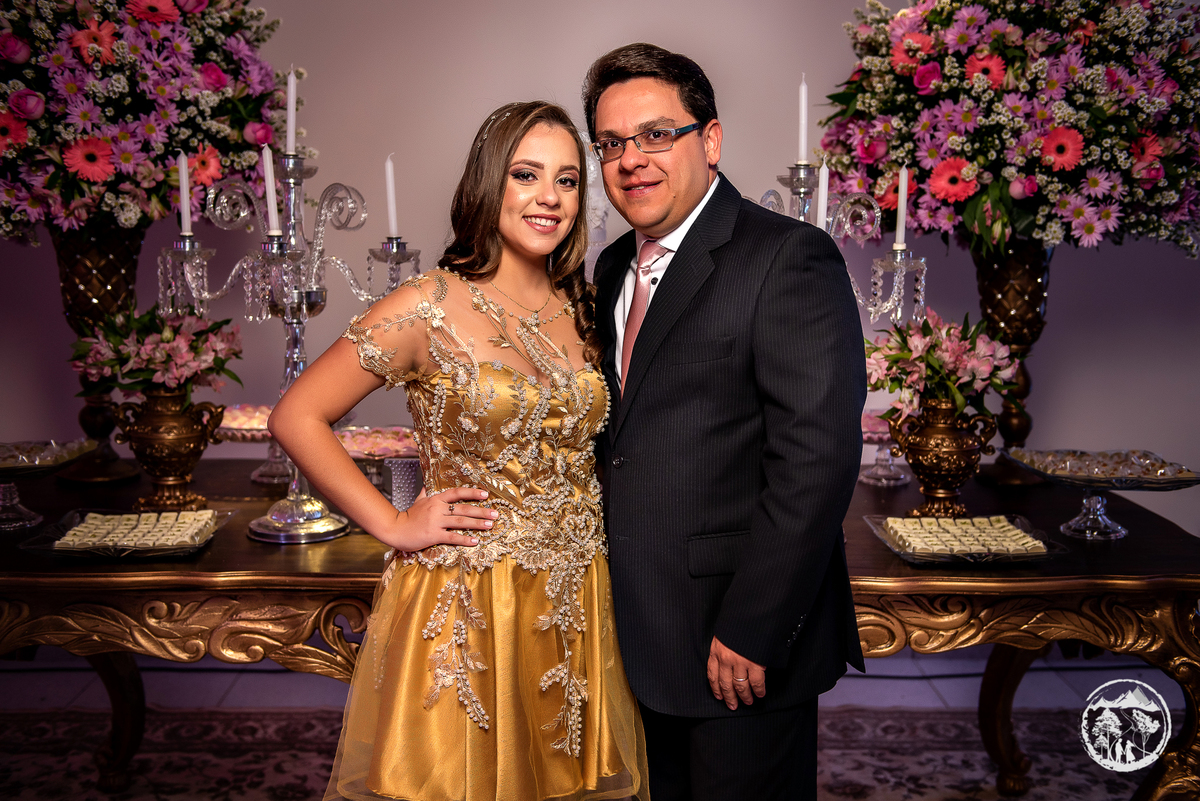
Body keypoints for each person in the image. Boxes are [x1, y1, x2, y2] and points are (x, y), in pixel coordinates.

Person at [269, 100, 648, 801]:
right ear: (487, 183)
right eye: (526, 174)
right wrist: (392, 522)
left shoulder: (590, 306)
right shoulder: (427, 305)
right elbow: (297, 415)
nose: (549, 197)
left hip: (578, 597)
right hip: (470, 597)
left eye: (567, 180)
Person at [582, 43, 867, 800]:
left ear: (710, 140)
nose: (631, 160)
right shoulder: (610, 268)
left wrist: (754, 625)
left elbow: (816, 461)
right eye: (611, 143)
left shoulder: (787, 256)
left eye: (656, 134)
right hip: (629, 628)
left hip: (734, 639)